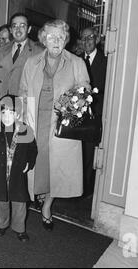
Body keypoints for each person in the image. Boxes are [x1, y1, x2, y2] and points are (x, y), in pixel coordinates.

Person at [19, 19, 90, 231]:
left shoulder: (76, 63)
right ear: (43, 39)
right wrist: (21, 121)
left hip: (60, 126)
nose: (56, 41)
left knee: (56, 169)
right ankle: (35, 195)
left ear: (66, 39)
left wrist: (72, 104)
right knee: (35, 163)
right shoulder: (32, 62)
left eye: (60, 37)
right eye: (51, 37)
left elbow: (85, 92)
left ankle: (47, 206)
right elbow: (23, 92)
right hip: (34, 121)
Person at [0, 94, 37, 242]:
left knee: (19, 201)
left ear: (17, 114)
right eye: (3, 112)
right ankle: (1, 224)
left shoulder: (25, 130)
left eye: (11, 113)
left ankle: (19, 228)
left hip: (17, 172)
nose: (6, 117)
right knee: (1, 199)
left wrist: (29, 163)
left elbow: (32, 150)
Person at [0, 13, 43, 101]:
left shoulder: (38, 52)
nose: (18, 30)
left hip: (24, 106)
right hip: (0, 104)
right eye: (14, 26)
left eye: (22, 26)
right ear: (10, 30)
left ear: (29, 29)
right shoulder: (1, 51)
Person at [80, 27, 107, 196]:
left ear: (96, 39)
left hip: (96, 114)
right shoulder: (76, 60)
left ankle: (87, 189)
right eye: (84, 38)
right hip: (78, 114)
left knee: (90, 152)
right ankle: (77, 186)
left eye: (90, 37)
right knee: (78, 152)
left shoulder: (106, 61)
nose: (87, 41)